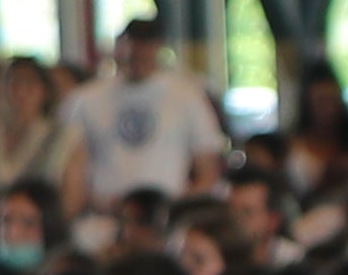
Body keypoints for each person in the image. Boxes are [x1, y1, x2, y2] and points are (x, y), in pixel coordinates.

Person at [67, 15, 228, 214]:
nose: (138, 54)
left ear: (158, 47)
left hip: (166, 212)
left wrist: (173, 208)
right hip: (103, 215)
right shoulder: (86, 100)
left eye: (145, 47)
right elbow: (72, 166)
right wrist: (97, 202)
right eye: (132, 47)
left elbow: (208, 170)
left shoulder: (188, 96)